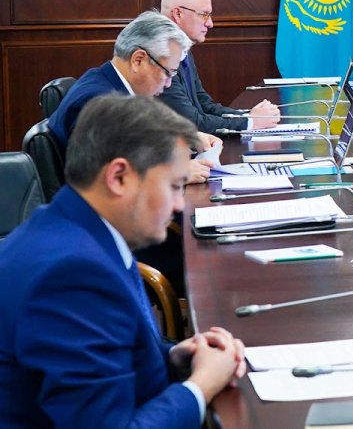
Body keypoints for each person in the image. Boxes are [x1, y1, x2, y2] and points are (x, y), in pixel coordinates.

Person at [0, 94, 247, 427]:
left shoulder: (75, 228)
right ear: (119, 177)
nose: (179, 205)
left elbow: (110, 347)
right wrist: (201, 387)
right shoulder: (72, 273)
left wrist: (175, 356)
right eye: (174, 185)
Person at [48, 11, 220, 185]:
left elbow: (135, 142)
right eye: (168, 72)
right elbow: (108, 180)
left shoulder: (106, 81)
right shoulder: (98, 102)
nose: (168, 83)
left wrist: (183, 137)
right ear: (138, 60)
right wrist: (173, 173)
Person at [158, 0, 280, 132]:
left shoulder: (182, 48)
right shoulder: (160, 54)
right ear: (178, 14)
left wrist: (248, 116)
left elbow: (205, 105)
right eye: (204, 15)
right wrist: (249, 123)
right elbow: (191, 123)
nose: (210, 23)